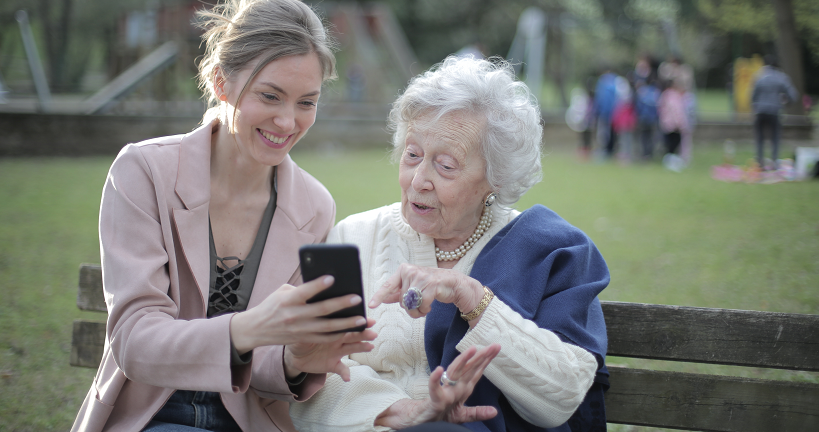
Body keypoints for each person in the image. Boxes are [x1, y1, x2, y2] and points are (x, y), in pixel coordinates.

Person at [71, 1, 377, 431]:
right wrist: (247, 328)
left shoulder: (314, 205)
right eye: (269, 95)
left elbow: (268, 364)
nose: (287, 121)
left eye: (307, 102)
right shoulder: (143, 171)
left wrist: (295, 358)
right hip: (150, 415)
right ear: (221, 82)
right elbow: (135, 341)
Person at [290, 56, 610, 432]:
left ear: (496, 179)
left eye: (445, 165)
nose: (418, 180)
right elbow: (308, 374)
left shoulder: (550, 250)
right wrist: (402, 411)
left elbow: (564, 395)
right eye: (412, 155)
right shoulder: (353, 237)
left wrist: (472, 298)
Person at [751, 54, 799, 170]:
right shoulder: (781, 77)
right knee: (775, 138)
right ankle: (774, 162)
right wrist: (785, 102)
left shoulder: (758, 76)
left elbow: (753, 97)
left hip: (760, 111)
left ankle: (760, 162)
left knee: (760, 137)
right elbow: (793, 95)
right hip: (774, 111)